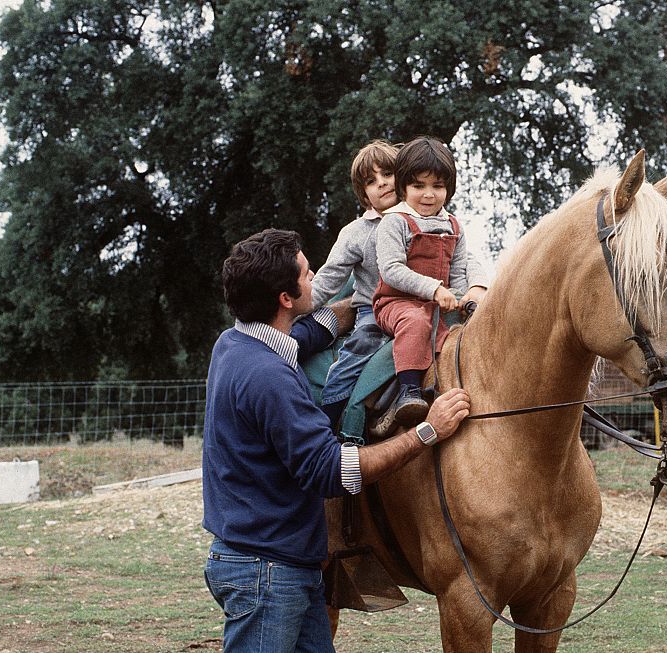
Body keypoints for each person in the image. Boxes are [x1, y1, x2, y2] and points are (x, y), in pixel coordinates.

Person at [202, 228, 471, 653]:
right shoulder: (269, 378)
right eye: (309, 275)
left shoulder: (233, 344)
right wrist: (426, 433)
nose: (318, 281)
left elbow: (295, 339)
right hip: (268, 573)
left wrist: (349, 312)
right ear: (285, 299)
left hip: (274, 562)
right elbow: (334, 471)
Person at [310, 139, 488, 435]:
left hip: (433, 302)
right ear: (363, 192)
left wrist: (478, 286)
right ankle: (331, 423)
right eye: (371, 181)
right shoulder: (358, 233)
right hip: (375, 309)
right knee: (354, 361)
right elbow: (329, 278)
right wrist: (297, 309)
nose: (382, 184)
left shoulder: (439, 221)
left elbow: (465, 259)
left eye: (388, 174)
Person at [373, 136, 477, 428]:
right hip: (396, 303)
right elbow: (392, 269)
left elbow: (457, 274)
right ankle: (409, 390)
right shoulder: (395, 222)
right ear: (403, 187)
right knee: (416, 322)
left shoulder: (454, 226)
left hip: (438, 303)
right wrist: (433, 289)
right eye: (419, 186)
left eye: (438, 186)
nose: (429, 194)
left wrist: (463, 297)